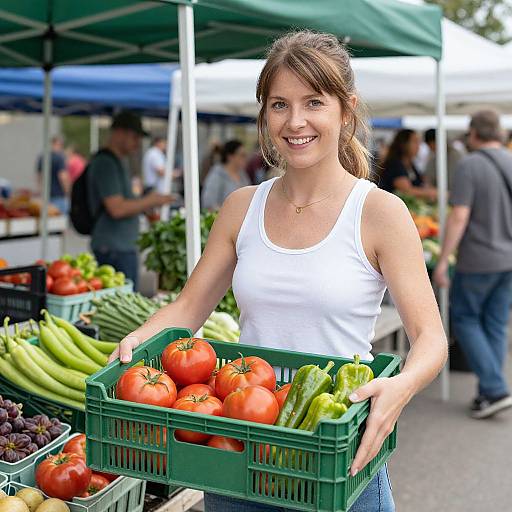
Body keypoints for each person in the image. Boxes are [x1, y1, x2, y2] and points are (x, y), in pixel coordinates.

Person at [110, 32, 447, 512]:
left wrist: (403, 386)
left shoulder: (379, 213)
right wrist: (137, 342)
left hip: (336, 459)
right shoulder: (241, 206)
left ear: (345, 110)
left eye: (314, 102)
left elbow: (430, 336)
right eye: (279, 105)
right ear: (264, 115)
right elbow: (189, 307)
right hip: (239, 457)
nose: (296, 121)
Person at [434, 110, 512, 419]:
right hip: (508, 259)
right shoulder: (510, 159)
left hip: (478, 259)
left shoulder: (470, 165)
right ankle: (487, 393)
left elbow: (459, 216)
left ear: (474, 133)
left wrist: (443, 261)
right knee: (494, 323)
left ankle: (494, 388)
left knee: (465, 319)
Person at [87, 110, 173, 290]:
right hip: (114, 248)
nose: (138, 143)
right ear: (119, 133)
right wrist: (150, 201)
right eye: (135, 136)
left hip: (120, 247)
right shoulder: (106, 163)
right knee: (122, 303)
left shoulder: (118, 161)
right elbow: (116, 208)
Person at [379, 129, 437, 200]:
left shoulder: (411, 165)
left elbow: (420, 182)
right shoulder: (395, 165)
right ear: (404, 144)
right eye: (415, 142)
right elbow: (407, 191)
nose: (418, 146)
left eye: (419, 142)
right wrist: (431, 192)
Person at [201, 139, 250, 210]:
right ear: (230, 156)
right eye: (242, 155)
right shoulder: (217, 175)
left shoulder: (242, 174)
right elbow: (209, 204)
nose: (245, 158)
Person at [36, 135, 69, 214]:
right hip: (59, 195)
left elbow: (39, 176)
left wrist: (41, 190)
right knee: (60, 221)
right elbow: (63, 177)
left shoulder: (42, 157)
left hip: (46, 195)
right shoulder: (60, 157)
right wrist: (68, 192)